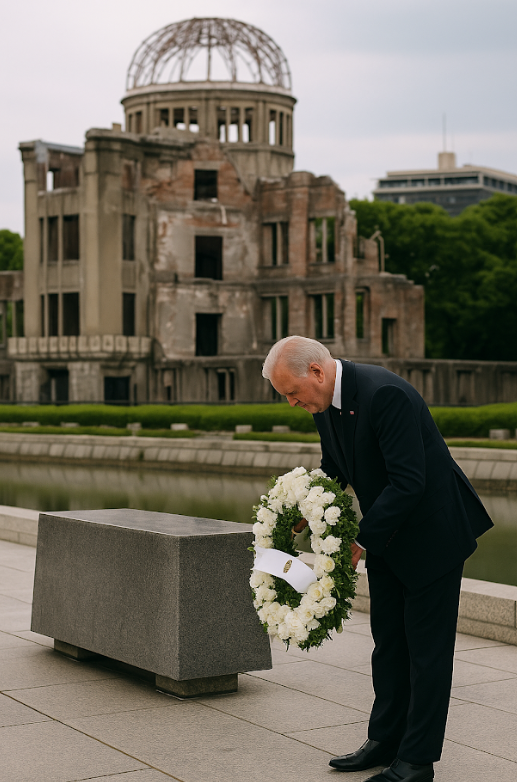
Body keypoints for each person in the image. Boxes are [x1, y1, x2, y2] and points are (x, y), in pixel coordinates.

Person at [262, 336, 493, 782]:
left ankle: (416, 761)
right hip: (387, 535)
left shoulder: (383, 394)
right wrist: (301, 514)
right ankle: (385, 739)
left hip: (432, 536)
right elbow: (335, 466)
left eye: (292, 392)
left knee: (426, 654)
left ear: (316, 371)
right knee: (388, 644)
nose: (291, 403)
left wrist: (361, 540)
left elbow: (410, 482)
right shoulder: (325, 403)